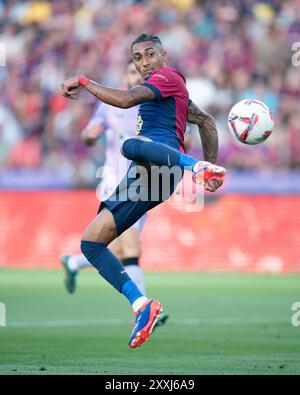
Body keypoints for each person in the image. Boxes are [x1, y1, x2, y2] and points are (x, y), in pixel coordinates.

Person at [62, 33, 226, 349]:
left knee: (130, 145)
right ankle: (141, 305)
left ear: (164, 54)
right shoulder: (172, 98)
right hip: (145, 178)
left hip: (162, 164)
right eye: (138, 58)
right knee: (91, 244)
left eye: (150, 54)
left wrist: (83, 80)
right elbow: (206, 122)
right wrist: (213, 167)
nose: (144, 63)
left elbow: (125, 99)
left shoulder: (169, 75)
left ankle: (194, 166)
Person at [60, 60, 168, 328]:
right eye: (132, 71)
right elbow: (89, 133)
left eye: (140, 72)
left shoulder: (154, 104)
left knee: (115, 248)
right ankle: (143, 308)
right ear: (123, 76)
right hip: (114, 183)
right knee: (130, 247)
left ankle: (74, 263)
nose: (137, 75)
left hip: (144, 185)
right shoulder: (110, 103)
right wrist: (89, 134)